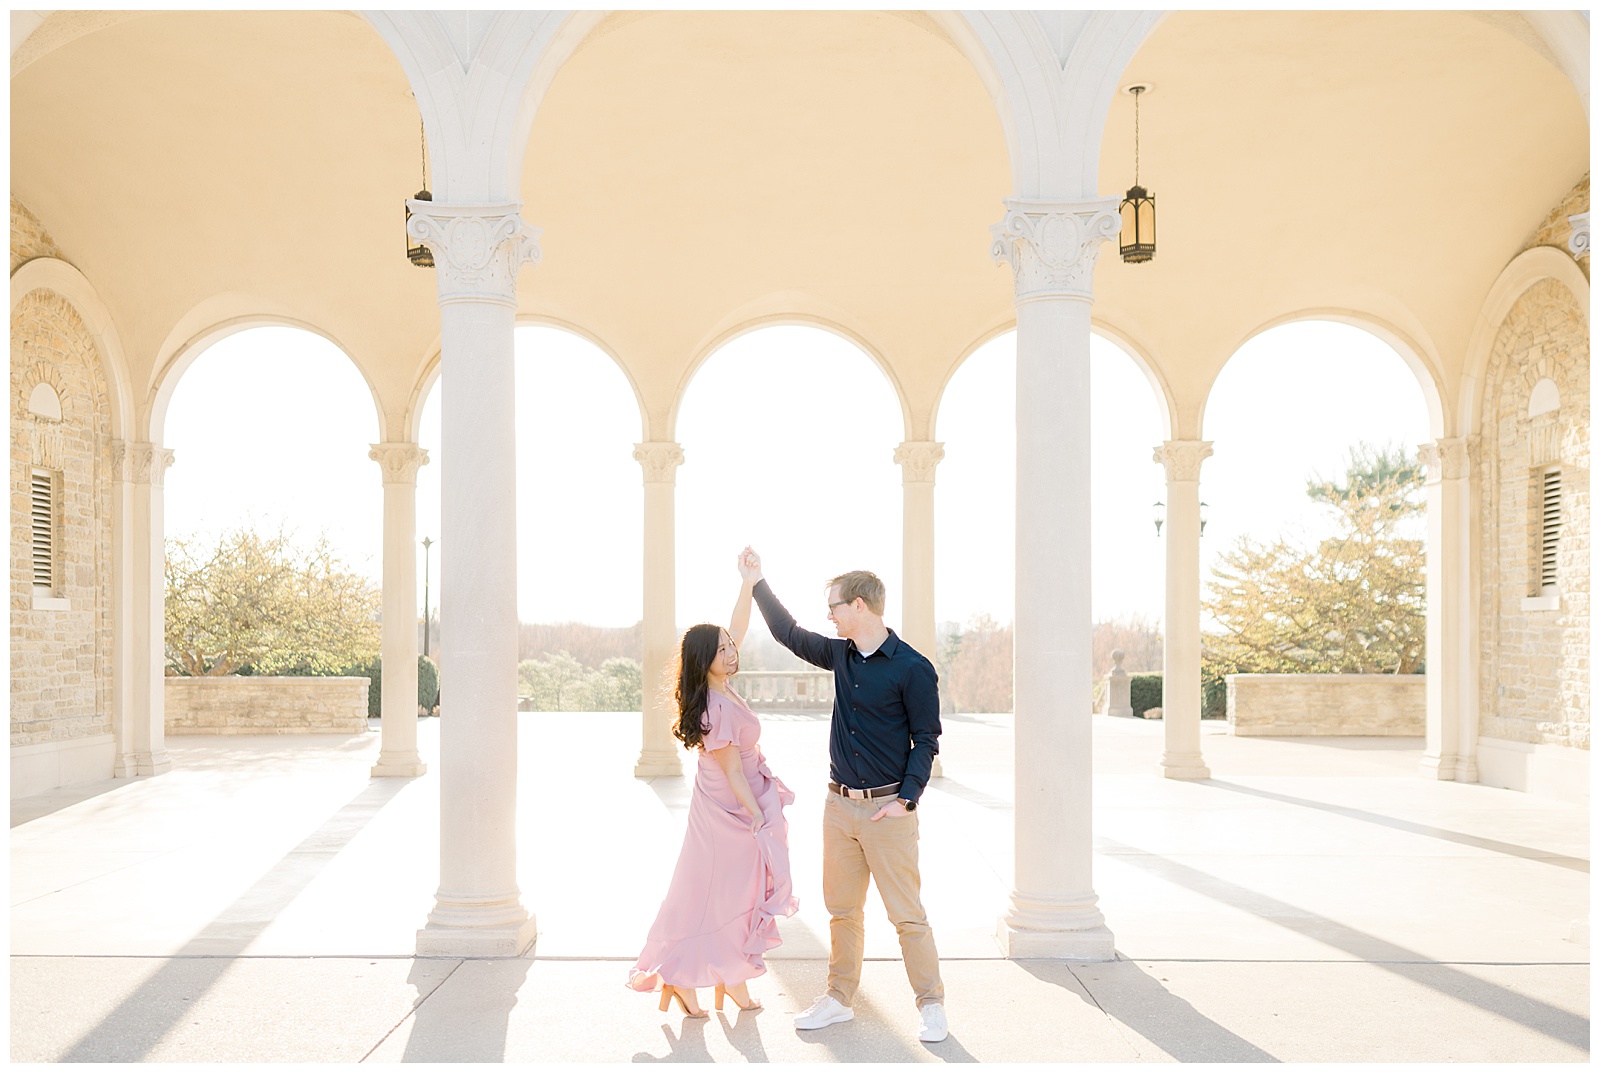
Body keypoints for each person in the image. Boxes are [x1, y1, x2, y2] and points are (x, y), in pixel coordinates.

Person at [742, 548, 948, 1043]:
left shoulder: (912, 668)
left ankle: (932, 1004)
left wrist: (906, 800)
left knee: (907, 916)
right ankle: (838, 998)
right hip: (839, 808)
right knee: (842, 912)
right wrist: (757, 582)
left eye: (833, 606)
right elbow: (789, 634)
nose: (828, 616)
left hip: (888, 810)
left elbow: (927, 740)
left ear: (860, 606)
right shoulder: (841, 655)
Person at [626, 558, 797, 1018]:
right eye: (723, 649)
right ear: (706, 659)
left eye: (731, 646)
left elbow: (736, 628)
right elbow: (732, 772)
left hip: (734, 804)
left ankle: (725, 978)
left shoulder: (718, 683)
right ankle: (700, 978)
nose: (732, 651)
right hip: (728, 810)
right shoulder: (713, 707)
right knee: (722, 894)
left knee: (730, 893)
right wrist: (756, 815)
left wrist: (747, 585)